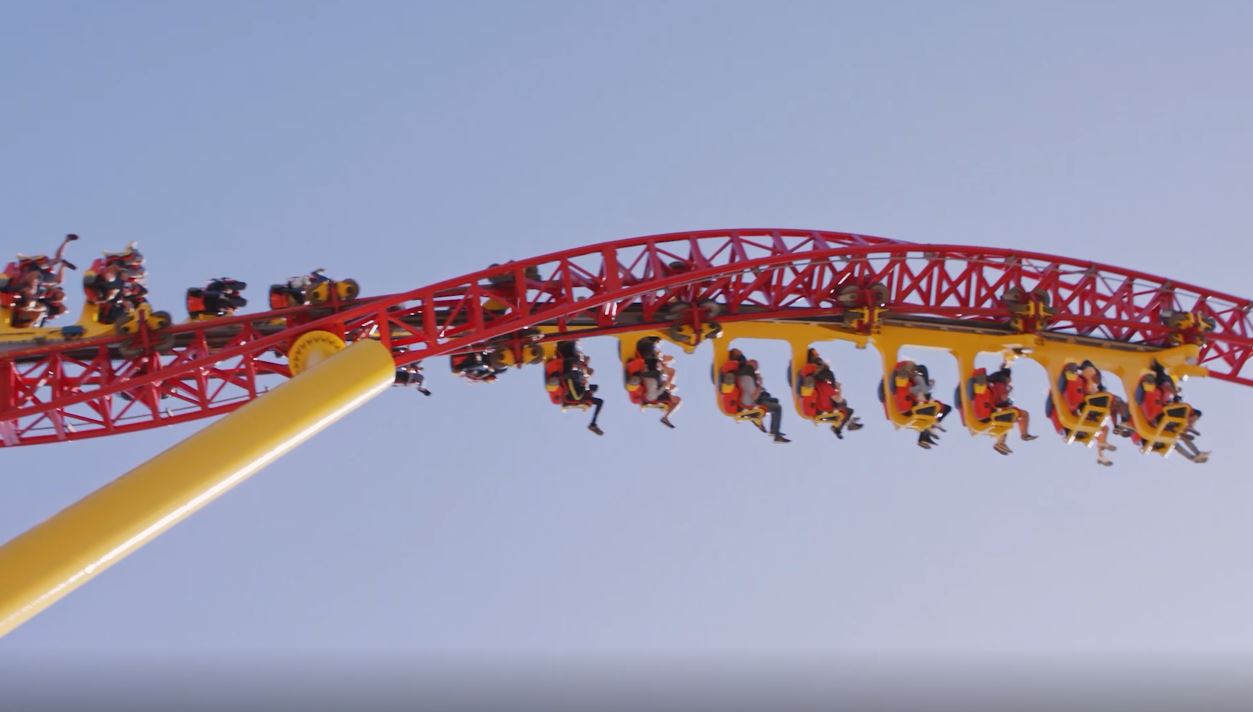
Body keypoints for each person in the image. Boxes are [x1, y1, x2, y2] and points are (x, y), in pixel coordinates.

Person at [723, 348, 789, 443]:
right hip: (750, 401)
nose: (756, 366)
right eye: (754, 364)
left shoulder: (747, 372)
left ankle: (772, 430)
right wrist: (760, 384)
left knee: (774, 401)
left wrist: (758, 383)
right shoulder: (746, 374)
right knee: (777, 407)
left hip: (751, 398)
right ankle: (774, 433)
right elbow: (754, 396)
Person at [798, 348, 862, 438]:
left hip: (821, 406)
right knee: (848, 409)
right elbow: (837, 399)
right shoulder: (824, 385)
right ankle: (837, 428)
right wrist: (839, 387)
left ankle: (849, 421)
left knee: (843, 403)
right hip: (824, 410)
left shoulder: (815, 381)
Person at [626, 336, 682, 428]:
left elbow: (666, 370)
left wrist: (663, 367)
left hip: (653, 378)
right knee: (666, 377)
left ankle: (665, 417)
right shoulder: (657, 362)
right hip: (652, 375)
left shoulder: (660, 367)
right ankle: (665, 417)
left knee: (668, 378)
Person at [550, 341, 604, 435]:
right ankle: (593, 424)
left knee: (576, 371)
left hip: (569, 376)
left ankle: (593, 424)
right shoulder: (580, 375)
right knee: (596, 393)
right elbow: (581, 371)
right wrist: (585, 369)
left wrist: (584, 374)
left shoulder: (579, 392)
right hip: (573, 374)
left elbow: (576, 376)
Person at [983, 362, 1038, 455]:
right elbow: (1001, 399)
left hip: (998, 408)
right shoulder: (1001, 385)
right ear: (1007, 377)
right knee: (1013, 418)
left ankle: (1012, 439)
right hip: (999, 408)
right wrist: (1006, 401)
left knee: (1018, 416)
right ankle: (1005, 441)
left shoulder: (996, 383)